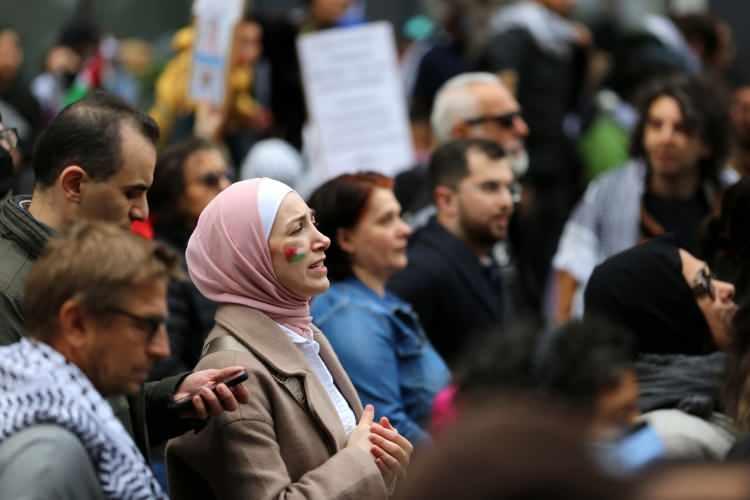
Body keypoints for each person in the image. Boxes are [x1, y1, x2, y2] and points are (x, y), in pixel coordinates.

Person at [0, 91, 248, 461]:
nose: (141, 211)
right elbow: (31, 447)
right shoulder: (9, 287)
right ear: (74, 185)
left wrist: (170, 399)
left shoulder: (90, 261)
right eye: (131, 193)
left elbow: (92, 406)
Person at [167, 178, 412, 500]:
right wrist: (361, 463)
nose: (322, 240)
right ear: (249, 254)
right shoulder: (233, 371)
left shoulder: (303, 334)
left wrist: (385, 465)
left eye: (313, 222)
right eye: (297, 229)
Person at [0, 221, 182, 499]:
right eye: (147, 325)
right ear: (77, 324)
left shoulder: (63, 426)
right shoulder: (48, 458)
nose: (162, 349)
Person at [553, 74, 730, 321]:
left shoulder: (729, 197)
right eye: (655, 125)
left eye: (682, 128)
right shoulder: (608, 190)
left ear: (706, 144)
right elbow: (570, 267)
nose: (666, 138)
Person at [309, 172, 450, 445]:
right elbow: (386, 428)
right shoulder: (350, 315)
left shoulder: (377, 300)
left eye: (400, 216)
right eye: (386, 220)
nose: (405, 230)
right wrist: (460, 461)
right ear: (346, 239)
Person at [585, 239, 737, 459]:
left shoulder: (724, 395)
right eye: (704, 283)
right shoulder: (667, 442)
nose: (728, 288)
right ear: (664, 313)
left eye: (713, 276)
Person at [390, 138, 514, 367]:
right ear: (446, 200)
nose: (506, 201)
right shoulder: (420, 272)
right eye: (490, 188)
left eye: (509, 188)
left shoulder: (483, 255)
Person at [148, 137, 232, 379]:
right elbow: (163, 365)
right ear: (175, 195)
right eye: (209, 180)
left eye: (227, 175)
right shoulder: (162, 263)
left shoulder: (226, 247)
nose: (225, 186)